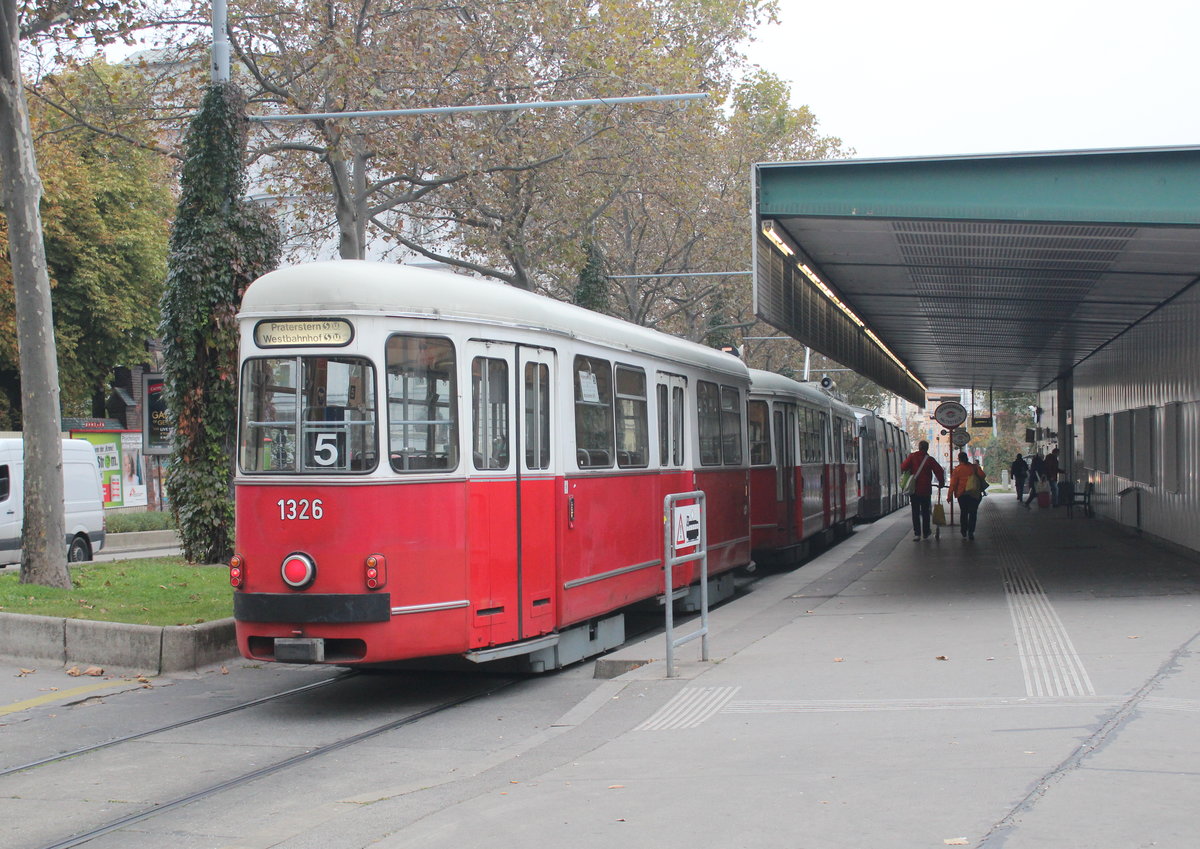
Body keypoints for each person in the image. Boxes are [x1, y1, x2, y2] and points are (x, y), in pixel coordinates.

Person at [901, 440, 946, 540]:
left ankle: (917, 534)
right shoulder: (930, 459)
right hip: (926, 490)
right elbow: (939, 471)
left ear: (919, 447)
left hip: (914, 490)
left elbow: (903, 467)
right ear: (927, 448)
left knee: (915, 512)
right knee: (926, 512)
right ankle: (926, 532)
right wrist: (941, 483)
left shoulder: (912, 457)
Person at [949, 451, 986, 539]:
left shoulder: (957, 469)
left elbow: (953, 484)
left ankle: (963, 530)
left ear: (959, 459)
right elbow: (983, 475)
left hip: (962, 494)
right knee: (973, 513)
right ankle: (971, 531)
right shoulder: (974, 467)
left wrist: (949, 495)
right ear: (967, 458)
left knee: (964, 512)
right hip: (974, 493)